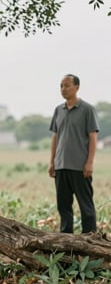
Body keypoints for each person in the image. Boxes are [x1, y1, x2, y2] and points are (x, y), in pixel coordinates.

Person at [48, 74, 99, 234]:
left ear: (77, 87)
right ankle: (66, 241)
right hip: (61, 165)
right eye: (61, 86)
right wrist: (52, 162)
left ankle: (90, 240)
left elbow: (93, 137)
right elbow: (55, 137)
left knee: (86, 207)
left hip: (80, 166)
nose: (63, 89)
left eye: (67, 85)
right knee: (63, 206)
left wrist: (89, 162)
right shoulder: (58, 110)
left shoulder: (87, 109)